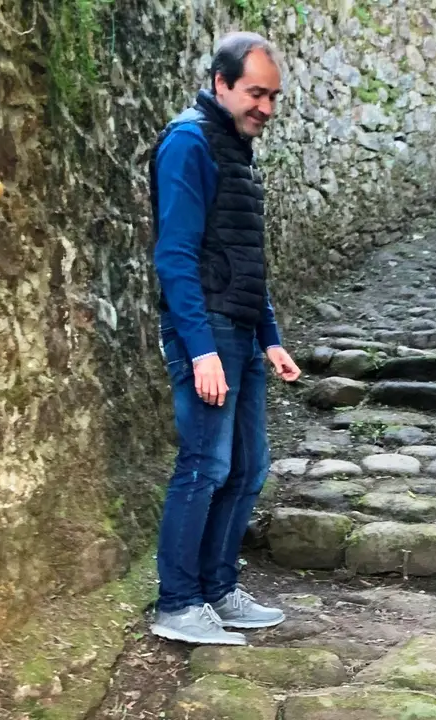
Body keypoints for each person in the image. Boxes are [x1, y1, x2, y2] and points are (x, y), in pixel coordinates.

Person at [147, 31, 301, 646]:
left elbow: (241, 253)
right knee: (204, 465)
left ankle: (216, 589)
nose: (264, 106)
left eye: (272, 96)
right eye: (254, 93)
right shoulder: (189, 142)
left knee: (248, 467)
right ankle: (177, 603)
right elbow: (175, 255)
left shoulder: (234, 146)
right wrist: (201, 349)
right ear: (220, 83)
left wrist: (269, 335)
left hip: (237, 330)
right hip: (205, 332)